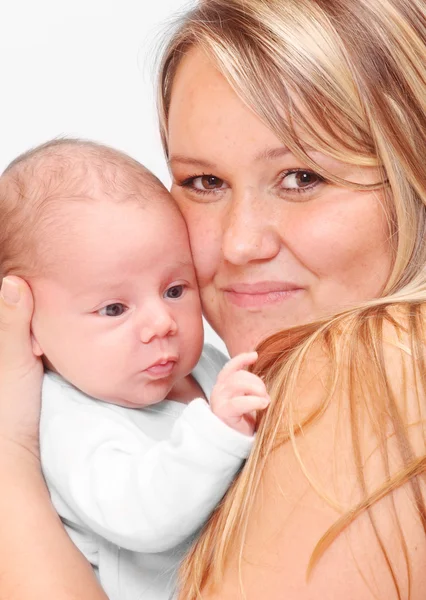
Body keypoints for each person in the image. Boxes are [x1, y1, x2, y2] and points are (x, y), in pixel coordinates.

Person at [0, 0, 426, 598]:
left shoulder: (374, 361)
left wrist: (8, 456)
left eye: (302, 177)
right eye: (204, 182)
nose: (240, 243)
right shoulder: (200, 373)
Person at [0, 138, 269, 600]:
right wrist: (218, 432)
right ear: (31, 328)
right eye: (113, 309)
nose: (161, 323)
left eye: (174, 289)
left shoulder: (198, 366)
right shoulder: (69, 418)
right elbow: (143, 515)